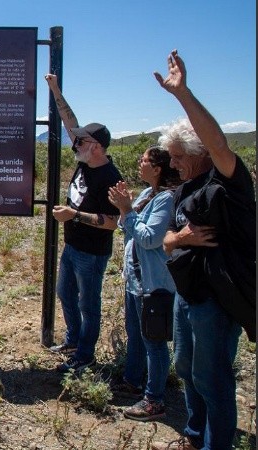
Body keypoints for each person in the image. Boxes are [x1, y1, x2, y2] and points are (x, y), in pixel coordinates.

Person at [150, 50, 256, 450]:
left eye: (179, 157)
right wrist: (181, 240)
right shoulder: (184, 189)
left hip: (217, 299)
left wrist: (183, 95)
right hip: (187, 294)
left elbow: (219, 143)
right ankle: (195, 436)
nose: (173, 164)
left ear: (200, 154)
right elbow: (166, 239)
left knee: (212, 378)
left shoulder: (228, 181)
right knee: (187, 370)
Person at [44, 74, 123, 373]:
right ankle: (74, 340)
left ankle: (85, 355)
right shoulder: (84, 160)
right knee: (65, 294)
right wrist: (54, 90)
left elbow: (113, 222)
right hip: (72, 246)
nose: (75, 142)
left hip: (91, 253)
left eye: (83, 140)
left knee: (89, 305)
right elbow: (69, 119)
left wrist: (74, 216)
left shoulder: (109, 177)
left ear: (97, 147)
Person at [107, 146, 181, 422]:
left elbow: (149, 238)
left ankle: (154, 400)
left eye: (144, 160)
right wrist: (127, 210)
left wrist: (126, 209)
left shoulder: (166, 199)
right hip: (136, 279)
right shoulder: (147, 194)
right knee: (136, 333)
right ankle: (133, 380)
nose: (139, 163)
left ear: (158, 168)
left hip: (154, 283)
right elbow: (125, 227)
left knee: (154, 342)